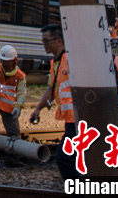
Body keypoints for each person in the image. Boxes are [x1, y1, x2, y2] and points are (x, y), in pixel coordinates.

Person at [29, 23, 77, 180]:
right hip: (71, 119)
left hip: (78, 118)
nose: (44, 44)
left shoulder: (71, 60)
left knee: (64, 158)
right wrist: (37, 109)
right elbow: (51, 90)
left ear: (58, 41)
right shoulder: (56, 63)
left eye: (45, 41)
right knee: (71, 158)